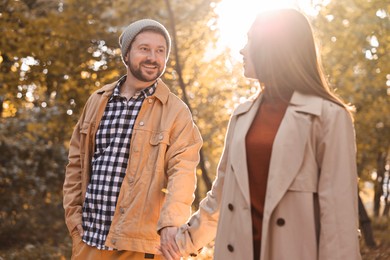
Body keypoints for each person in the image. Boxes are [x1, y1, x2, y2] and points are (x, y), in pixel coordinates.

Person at [170, 8, 362, 260]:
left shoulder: (329, 116)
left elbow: (339, 221)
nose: (242, 50)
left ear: (276, 46)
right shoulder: (241, 115)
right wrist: (180, 242)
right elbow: (219, 198)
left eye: (250, 40)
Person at [63, 19, 202, 260]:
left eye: (161, 51)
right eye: (144, 49)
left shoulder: (176, 111)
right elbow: (76, 163)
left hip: (141, 247)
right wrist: (74, 218)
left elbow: (184, 170)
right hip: (89, 240)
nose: (153, 57)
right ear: (126, 54)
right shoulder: (97, 101)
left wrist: (171, 223)